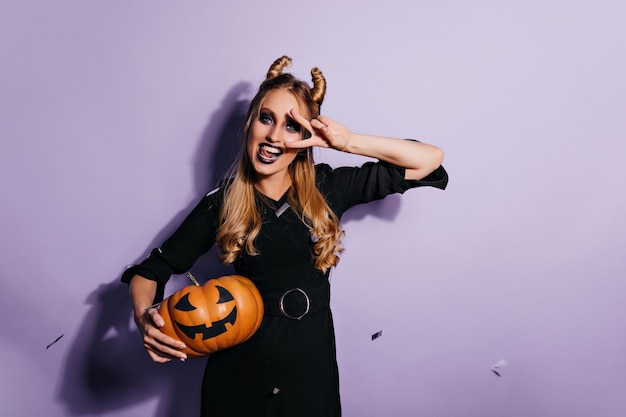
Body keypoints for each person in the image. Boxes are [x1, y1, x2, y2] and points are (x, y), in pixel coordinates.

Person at [121, 55, 448, 417]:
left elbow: (428, 160)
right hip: (238, 376)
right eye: (266, 118)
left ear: (309, 136)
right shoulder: (223, 202)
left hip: (310, 371)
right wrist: (142, 316)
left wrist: (347, 141)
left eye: (292, 126)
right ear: (250, 124)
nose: (275, 135)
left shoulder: (329, 186)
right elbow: (151, 270)